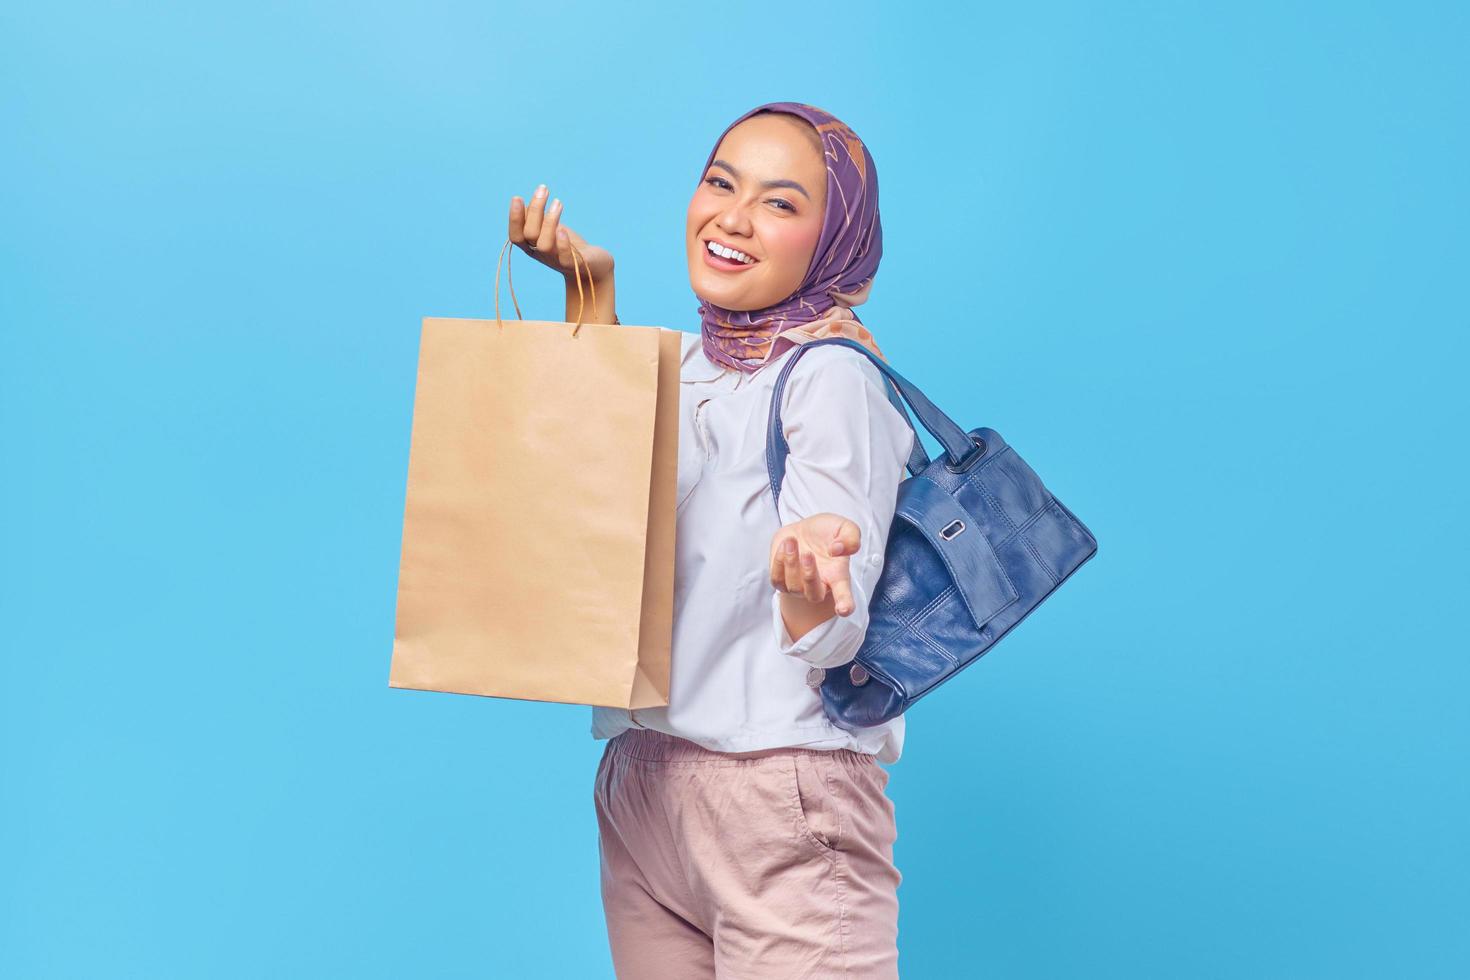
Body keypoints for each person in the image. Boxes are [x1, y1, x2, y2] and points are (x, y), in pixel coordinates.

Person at [507, 101, 913, 979]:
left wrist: (812, 583)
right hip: (643, 781)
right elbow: (612, 514)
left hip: (779, 788)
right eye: (721, 182)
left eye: (779, 202)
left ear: (833, 240)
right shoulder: (685, 363)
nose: (732, 217)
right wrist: (592, 298)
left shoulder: (830, 377)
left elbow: (840, 637)